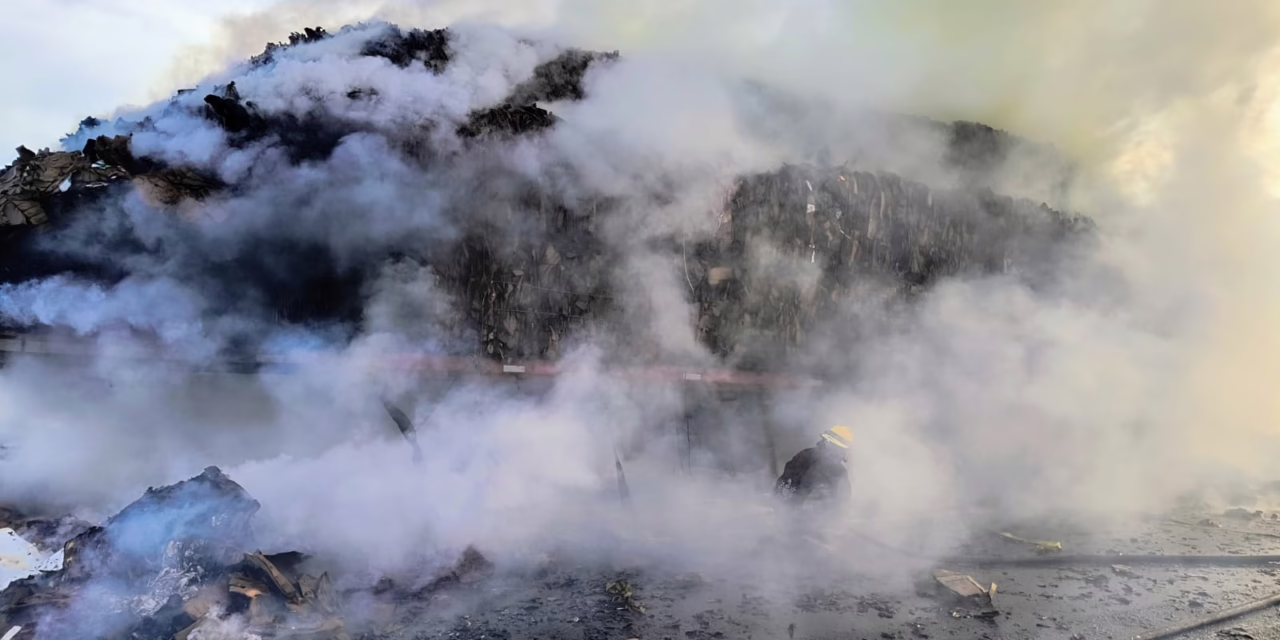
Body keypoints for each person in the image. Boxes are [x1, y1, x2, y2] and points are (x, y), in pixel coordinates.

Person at [774, 426, 853, 505]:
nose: (843, 453)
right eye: (842, 449)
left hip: (793, 509)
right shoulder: (806, 458)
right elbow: (843, 502)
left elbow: (784, 485)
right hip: (799, 510)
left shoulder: (805, 455)